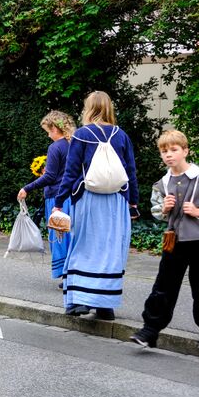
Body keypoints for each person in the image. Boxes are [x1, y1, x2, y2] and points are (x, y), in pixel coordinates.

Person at [54, 91, 139, 320]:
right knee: (110, 251)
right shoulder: (122, 136)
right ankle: (105, 305)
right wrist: (133, 204)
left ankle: (80, 301)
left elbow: (71, 171)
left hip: (89, 198)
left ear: (89, 108)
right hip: (117, 202)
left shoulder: (82, 134)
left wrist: (59, 202)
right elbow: (130, 172)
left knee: (84, 247)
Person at [130, 130, 199, 350]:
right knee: (164, 285)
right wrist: (164, 209)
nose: (169, 155)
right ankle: (150, 331)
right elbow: (156, 211)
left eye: (174, 150)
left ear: (185, 151)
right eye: (164, 151)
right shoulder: (161, 184)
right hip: (174, 240)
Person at [17, 111, 76, 281]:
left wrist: (27, 188)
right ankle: (73, 274)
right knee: (71, 236)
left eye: (48, 131)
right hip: (73, 197)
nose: (48, 135)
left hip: (57, 198)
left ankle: (65, 276)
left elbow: (50, 176)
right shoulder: (74, 144)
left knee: (58, 237)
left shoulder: (55, 147)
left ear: (55, 128)